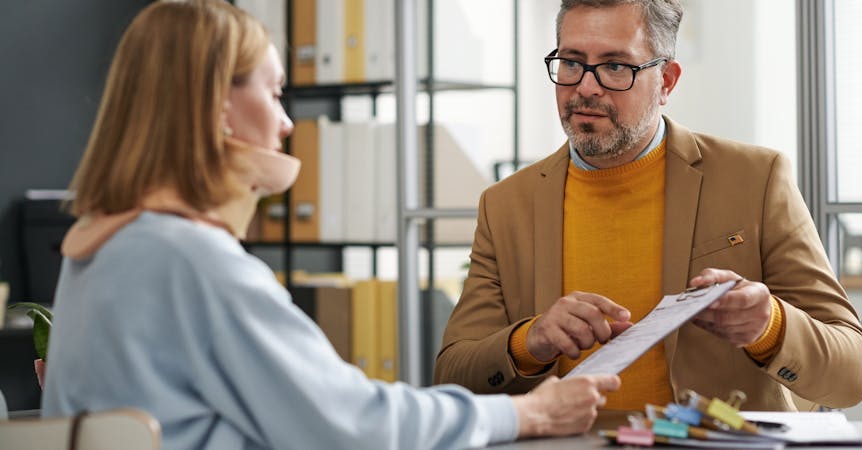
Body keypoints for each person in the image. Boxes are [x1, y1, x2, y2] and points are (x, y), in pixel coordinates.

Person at [40, 1, 623, 449]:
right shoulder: (191, 258)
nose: (288, 124)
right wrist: (530, 413)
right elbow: (353, 424)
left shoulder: (100, 244)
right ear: (219, 107)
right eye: (273, 94)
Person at [434, 0, 862, 412]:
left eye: (614, 66)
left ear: (666, 81)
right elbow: (452, 376)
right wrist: (530, 342)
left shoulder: (756, 179)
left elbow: (854, 372)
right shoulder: (505, 204)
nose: (586, 86)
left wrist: (770, 327)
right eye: (571, 62)